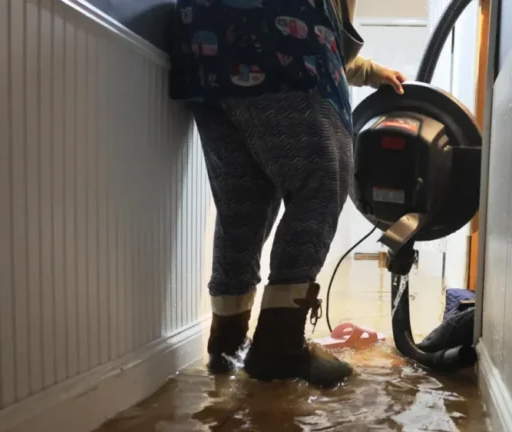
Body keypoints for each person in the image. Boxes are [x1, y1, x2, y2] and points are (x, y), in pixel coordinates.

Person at [169, 0, 406, 387]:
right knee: (321, 183)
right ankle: (280, 346)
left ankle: (227, 344)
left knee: (243, 205)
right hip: (285, 47)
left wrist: (366, 70)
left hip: (205, 51)